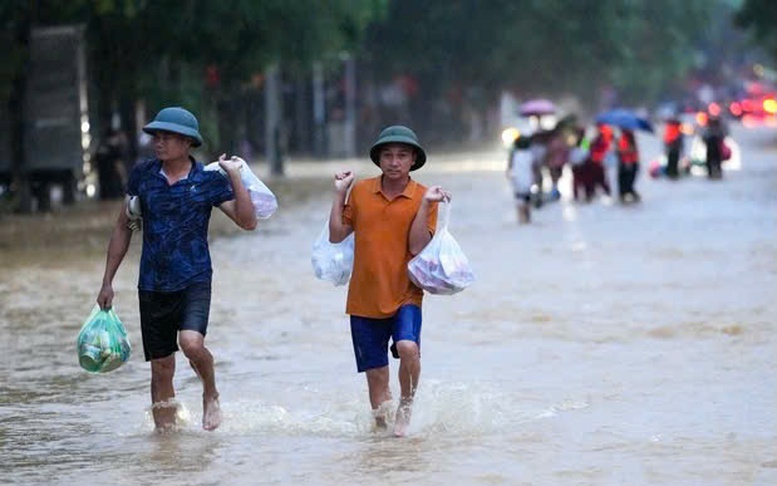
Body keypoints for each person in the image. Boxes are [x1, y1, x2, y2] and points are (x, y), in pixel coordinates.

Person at [95, 106, 257, 432]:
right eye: (157, 135)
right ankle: (166, 442)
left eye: (167, 136)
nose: (159, 142)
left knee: (191, 344)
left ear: (187, 143)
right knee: (161, 367)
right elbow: (123, 226)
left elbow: (247, 221)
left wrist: (235, 176)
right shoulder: (143, 175)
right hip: (152, 283)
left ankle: (210, 391)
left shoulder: (208, 181)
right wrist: (107, 281)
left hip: (194, 278)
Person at [328, 125, 449, 437]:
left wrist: (424, 206)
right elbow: (336, 234)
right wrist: (339, 193)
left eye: (402, 156)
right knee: (377, 387)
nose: (394, 162)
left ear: (413, 161)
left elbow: (418, 246)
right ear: (379, 160)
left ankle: (407, 407)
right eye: (388, 155)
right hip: (363, 299)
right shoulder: (362, 192)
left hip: (406, 293)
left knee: (408, 347)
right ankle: (383, 450)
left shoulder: (425, 196)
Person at [507, 132, 534, 223]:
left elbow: (509, 168)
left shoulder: (514, 155)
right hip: (528, 180)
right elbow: (534, 167)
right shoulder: (530, 154)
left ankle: (520, 218)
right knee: (527, 199)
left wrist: (509, 176)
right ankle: (528, 218)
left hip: (517, 180)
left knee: (519, 199)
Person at [587, 123, 613, 199]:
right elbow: (584, 147)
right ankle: (592, 192)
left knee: (601, 178)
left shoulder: (604, 138)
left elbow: (606, 149)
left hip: (599, 161)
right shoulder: (592, 138)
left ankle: (606, 192)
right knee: (593, 178)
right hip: (592, 161)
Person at [616, 129, 641, 202]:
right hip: (628, 162)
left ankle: (626, 194)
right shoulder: (626, 137)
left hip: (628, 162)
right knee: (626, 180)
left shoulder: (627, 137)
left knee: (626, 180)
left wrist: (620, 150)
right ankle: (627, 193)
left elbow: (628, 150)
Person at [702, 115, 727, 180]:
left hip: (712, 144)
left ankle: (712, 173)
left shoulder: (708, 127)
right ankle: (716, 173)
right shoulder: (717, 127)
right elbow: (724, 134)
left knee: (712, 159)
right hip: (714, 143)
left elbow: (704, 135)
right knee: (716, 159)